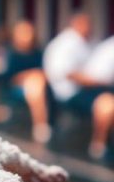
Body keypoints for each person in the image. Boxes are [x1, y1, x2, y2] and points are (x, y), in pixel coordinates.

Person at [42, 12, 112, 158]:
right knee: (106, 104)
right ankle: (99, 144)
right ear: (76, 23)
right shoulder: (66, 43)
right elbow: (67, 73)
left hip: (89, 88)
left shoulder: (87, 41)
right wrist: (96, 81)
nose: (90, 27)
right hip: (71, 93)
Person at [1, 20, 52, 143]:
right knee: (34, 85)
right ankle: (40, 124)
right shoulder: (12, 53)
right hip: (19, 88)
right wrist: (29, 75)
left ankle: (40, 124)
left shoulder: (38, 52)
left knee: (35, 84)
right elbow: (9, 78)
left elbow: (45, 71)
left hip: (39, 84)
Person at [81, 35, 114, 159]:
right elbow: (97, 78)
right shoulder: (109, 48)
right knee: (107, 104)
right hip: (99, 90)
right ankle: (99, 144)